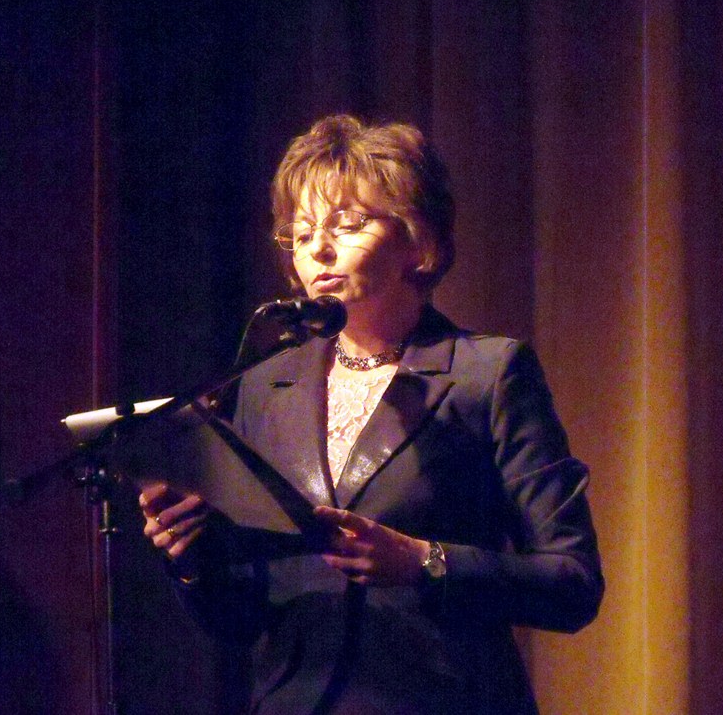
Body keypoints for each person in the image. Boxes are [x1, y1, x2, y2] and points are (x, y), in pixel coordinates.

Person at [139, 114, 603, 714]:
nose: (319, 250)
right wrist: (192, 556)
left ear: (417, 240)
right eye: (302, 233)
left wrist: (425, 563)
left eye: (348, 224)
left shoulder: (489, 374)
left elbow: (572, 583)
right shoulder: (264, 384)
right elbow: (243, 619)